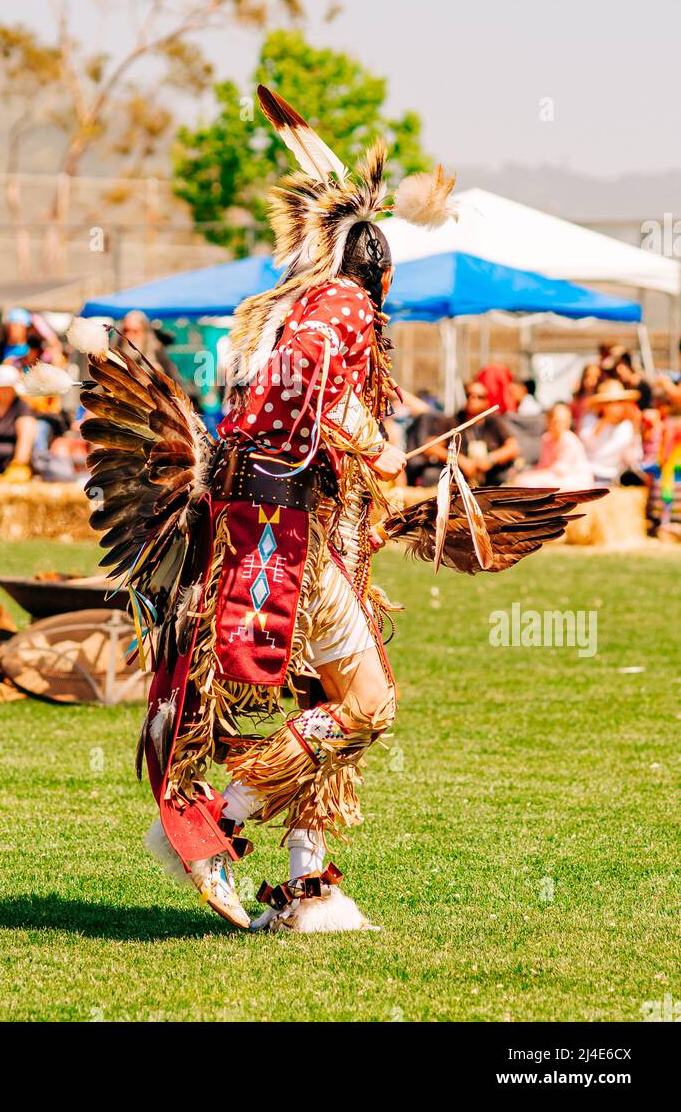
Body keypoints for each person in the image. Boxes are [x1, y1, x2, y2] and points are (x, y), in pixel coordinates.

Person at [78, 87, 600, 935]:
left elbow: (289, 407)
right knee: (366, 707)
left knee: (336, 723)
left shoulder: (318, 310)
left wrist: (384, 480)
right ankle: (212, 826)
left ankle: (307, 888)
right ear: (377, 268)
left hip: (309, 544)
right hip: (290, 548)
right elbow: (288, 399)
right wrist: (351, 445)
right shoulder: (342, 310)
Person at [579, 378, 643, 486]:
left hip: (613, 477)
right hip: (587, 474)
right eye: (610, 402)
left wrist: (635, 431)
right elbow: (587, 442)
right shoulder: (590, 419)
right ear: (601, 405)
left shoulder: (627, 426)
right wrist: (605, 421)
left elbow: (634, 457)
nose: (616, 406)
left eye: (619, 401)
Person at [514, 403, 593, 489]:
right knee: (522, 480)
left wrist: (535, 475)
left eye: (563, 422)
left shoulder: (569, 439)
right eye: (556, 421)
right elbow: (543, 464)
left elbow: (560, 470)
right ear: (548, 421)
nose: (559, 425)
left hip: (573, 479)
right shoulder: (546, 438)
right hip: (554, 476)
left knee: (528, 482)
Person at [0, 308, 33, 388]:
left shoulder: (32, 351)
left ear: (26, 328)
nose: (14, 329)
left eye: (19, 326)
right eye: (12, 325)